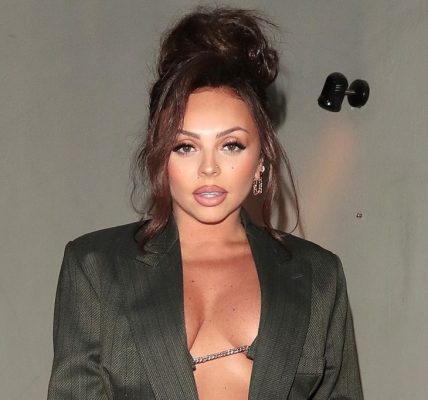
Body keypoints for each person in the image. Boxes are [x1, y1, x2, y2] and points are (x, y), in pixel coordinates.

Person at [47, 7, 363, 400]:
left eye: (231, 145)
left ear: (261, 158)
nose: (209, 168)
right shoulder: (96, 267)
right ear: (160, 156)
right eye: (185, 146)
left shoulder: (318, 275)